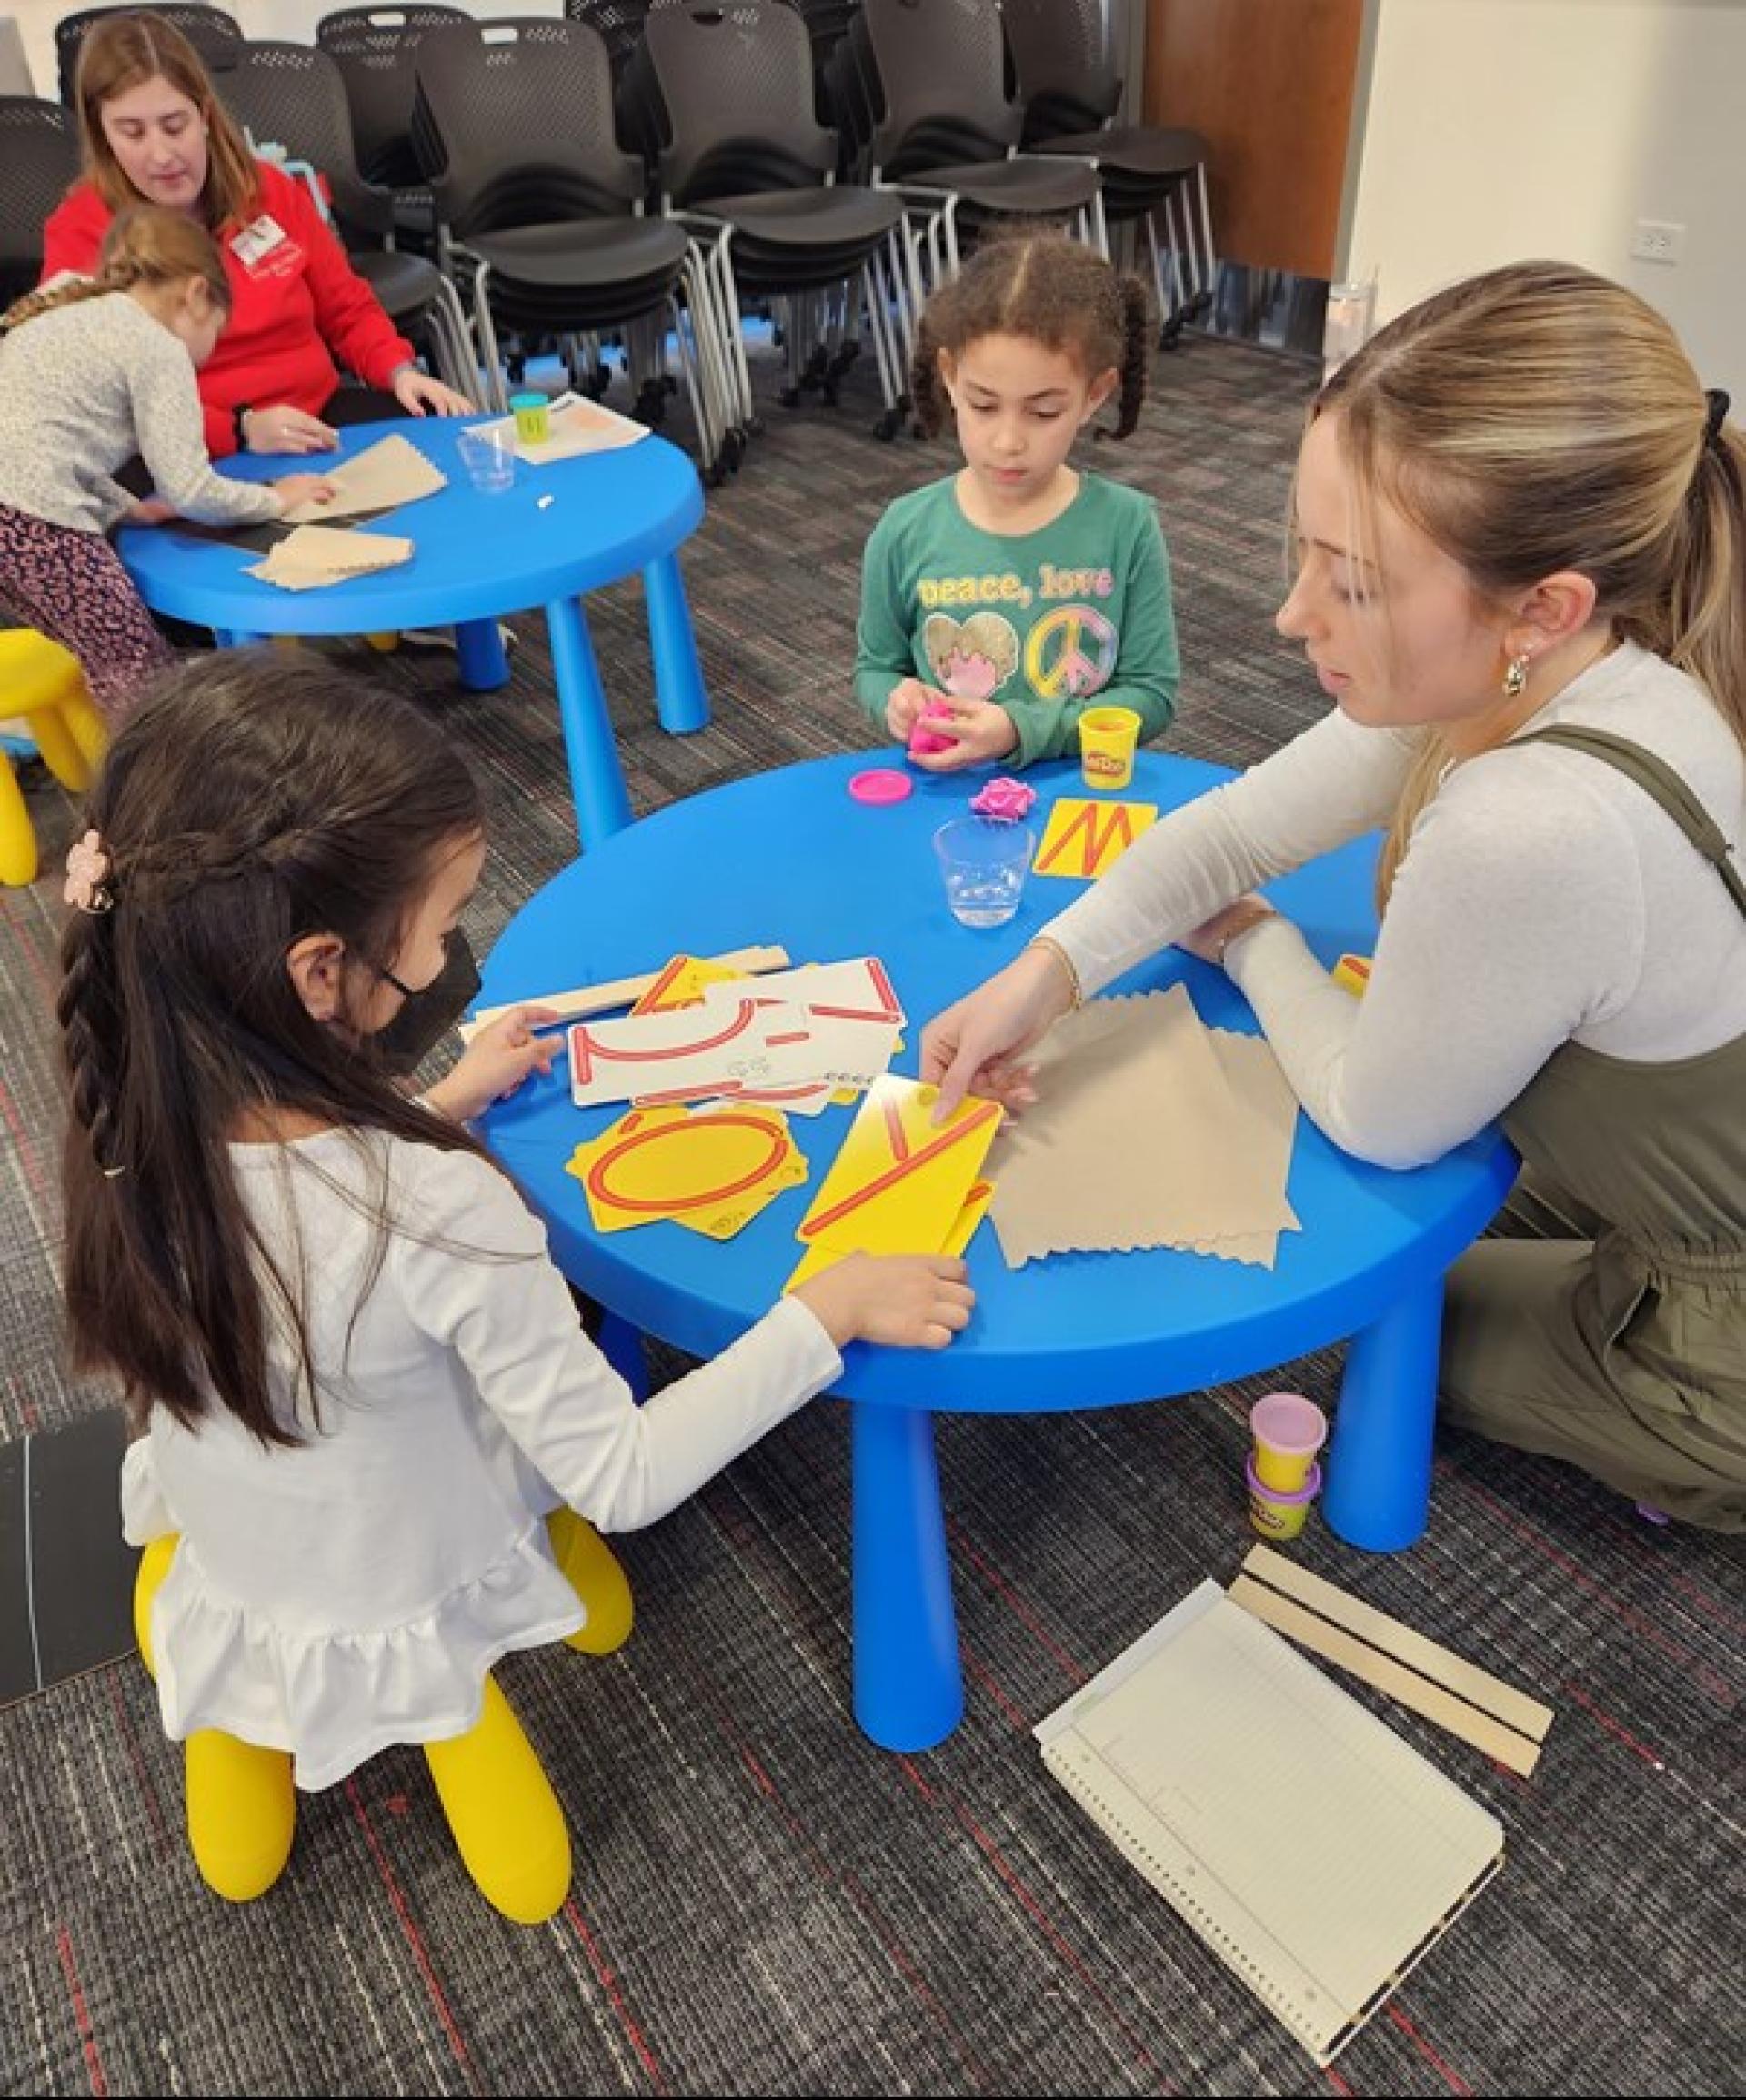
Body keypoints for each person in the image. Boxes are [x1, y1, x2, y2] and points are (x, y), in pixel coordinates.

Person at [60, 652, 975, 1920]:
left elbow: (318, 1228)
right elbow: (624, 1474)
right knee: (519, 1836)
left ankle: (237, 1812)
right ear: (321, 975)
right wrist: (825, 1310)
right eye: (438, 931)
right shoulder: (440, 1210)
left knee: (239, 1848)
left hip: (236, 1550)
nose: (449, 956)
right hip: (405, 1574)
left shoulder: (125, 1107)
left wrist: (438, 1103)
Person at [922, 260, 1746, 1532]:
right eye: (1303, 552)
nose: (1289, 613)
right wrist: (1043, 974)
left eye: (1349, 582)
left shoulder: (1531, 823)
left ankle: (1684, 1465)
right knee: (1382, 1243)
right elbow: (1231, 828)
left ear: (1541, 606)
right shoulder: (1558, 666)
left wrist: (1255, 945)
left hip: (1713, 1327)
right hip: (1657, 1182)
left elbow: (1377, 1116)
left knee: (1350, 1313)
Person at [41, 9, 471, 461]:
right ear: (103, 135)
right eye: (132, 133)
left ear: (204, 114)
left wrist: (398, 370)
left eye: (175, 125)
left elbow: (345, 306)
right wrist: (239, 428)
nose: (161, 154)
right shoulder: (82, 230)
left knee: (435, 450)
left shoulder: (268, 190)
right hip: (183, 448)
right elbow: (104, 393)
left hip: (314, 417)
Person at [854, 227, 1180, 770]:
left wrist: (1018, 730)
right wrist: (895, 701)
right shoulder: (904, 530)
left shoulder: (1127, 526)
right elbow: (876, 667)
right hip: (952, 793)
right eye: (983, 406)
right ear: (951, 378)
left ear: (1094, 395)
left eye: (1044, 412)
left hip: (1076, 787)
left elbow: (1150, 694)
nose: (1008, 441)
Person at [0, 207, 333, 723]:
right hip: (34, 523)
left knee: (102, 654)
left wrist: (126, 508)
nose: (207, 356)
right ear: (197, 295)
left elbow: (41, 434)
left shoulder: (72, 302)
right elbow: (191, 489)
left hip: (15, 520)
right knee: (140, 674)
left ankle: (122, 775)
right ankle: (161, 792)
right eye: (216, 336)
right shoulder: (156, 346)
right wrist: (278, 497)